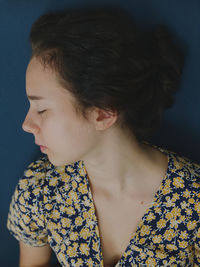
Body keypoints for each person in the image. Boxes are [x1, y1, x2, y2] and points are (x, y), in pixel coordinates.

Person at [7, 5, 200, 267]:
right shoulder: (40, 190)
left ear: (103, 113)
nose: (27, 124)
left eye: (41, 109)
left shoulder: (193, 204)